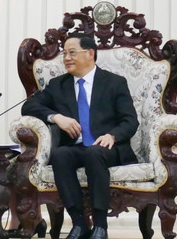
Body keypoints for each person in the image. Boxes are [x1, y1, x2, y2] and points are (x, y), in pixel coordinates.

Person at [21, 35, 139, 239]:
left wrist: (112, 135)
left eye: (72, 53)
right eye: (64, 54)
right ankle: (79, 223)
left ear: (90, 53)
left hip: (107, 147)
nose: (66, 58)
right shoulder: (58, 85)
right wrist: (56, 117)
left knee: (94, 153)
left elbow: (130, 120)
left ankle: (100, 225)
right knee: (60, 155)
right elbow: (29, 106)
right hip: (76, 147)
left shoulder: (114, 82)